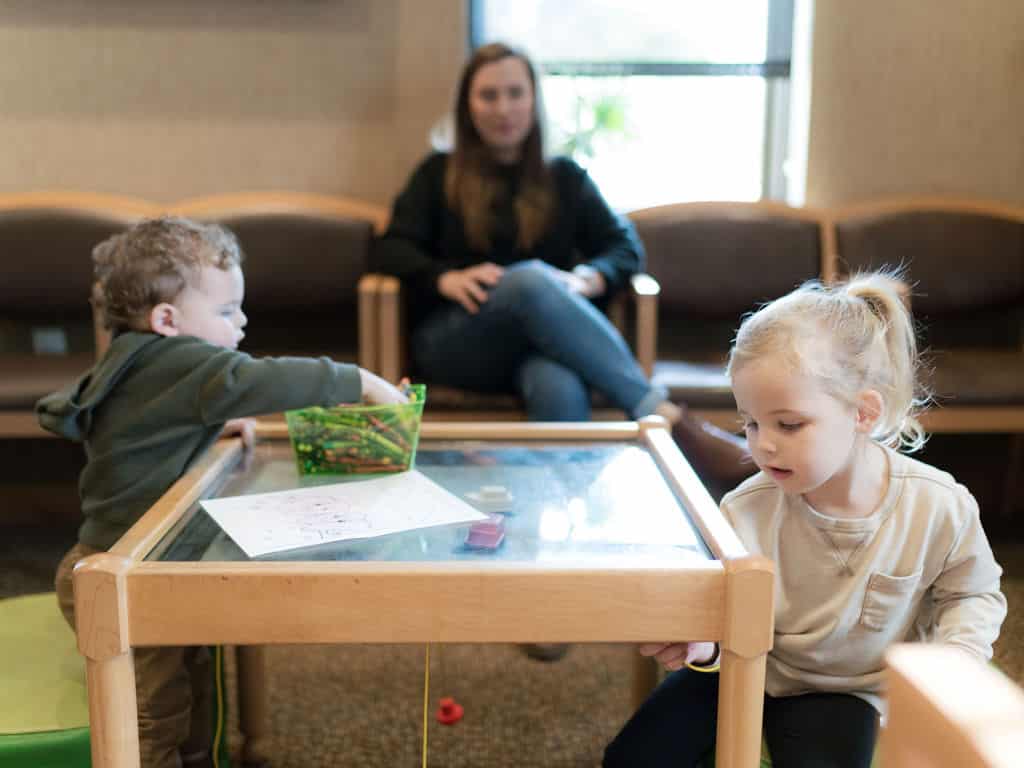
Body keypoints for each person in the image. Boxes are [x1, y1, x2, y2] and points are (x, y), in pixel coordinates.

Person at [38, 216, 406, 768]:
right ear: (167, 319)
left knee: (189, 685)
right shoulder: (184, 361)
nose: (242, 323)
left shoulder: (134, 356)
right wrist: (362, 382)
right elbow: (264, 379)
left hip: (112, 562)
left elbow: (148, 424)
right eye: (227, 311)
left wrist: (208, 424)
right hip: (123, 580)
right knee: (150, 714)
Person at [603, 272, 1007, 768]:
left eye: (788, 424)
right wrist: (704, 646)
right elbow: (723, 622)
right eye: (749, 423)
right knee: (629, 760)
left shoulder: (939, 503)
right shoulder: (744, 508)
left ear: (863, 413)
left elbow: (972, 593)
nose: (763, 443)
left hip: (850, 692)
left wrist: (953, 664)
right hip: (748, 670)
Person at [373, 41, 751, 500]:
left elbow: (623, 246)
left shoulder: (565, 178)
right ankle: (663, 414)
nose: (503, 108)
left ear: (534, 99)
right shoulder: (436, 174)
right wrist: (442, 278)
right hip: (457, 342)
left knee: (559, 381)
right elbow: (389, 249)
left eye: (515, 93)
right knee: (532, 278)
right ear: (467, 105)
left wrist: (588, 277)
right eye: (488, 95)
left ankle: (549, 511)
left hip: (544, 346)